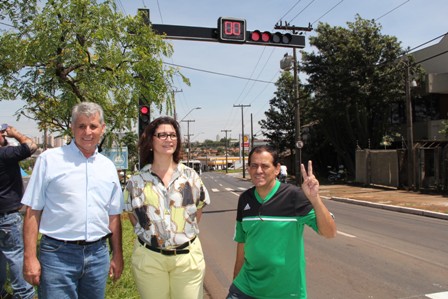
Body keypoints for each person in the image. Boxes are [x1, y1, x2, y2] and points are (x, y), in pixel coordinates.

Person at [21, 102, 124, 299]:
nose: (87, 131)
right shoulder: (48, 160)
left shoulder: (108, 167)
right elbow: (32, 212)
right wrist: (29, 258)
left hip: (98, 255)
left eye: (93, 126)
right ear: (72, 127)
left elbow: (114, 216)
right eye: (81, 126)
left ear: (102, 128)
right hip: (57, 256)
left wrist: (117, 255)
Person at [226, 145, 337, 299]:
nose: (258, 171)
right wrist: (235, 282)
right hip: (245, 289)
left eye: (265, 166)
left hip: (286, 293)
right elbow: (242, 245)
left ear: (277, 169)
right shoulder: (245, 199)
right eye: (254, 165)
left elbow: (329, 232)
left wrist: (315, 199)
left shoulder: (294, 196)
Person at [124, 116, 210, 299]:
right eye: (162, 135)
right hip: (150, 259)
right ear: (150, 140)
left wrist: (179, 234)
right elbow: (133, 216)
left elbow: (198, 211)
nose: (168, 139)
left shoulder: (191, 177)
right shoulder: (136, 181)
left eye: (172, 135)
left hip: (187, 259)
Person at [0, 125, 37, 299]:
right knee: (15, 255)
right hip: (8, 215)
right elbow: (31, 146)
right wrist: (16, 133)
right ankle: (24, 294)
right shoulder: (5, 154)